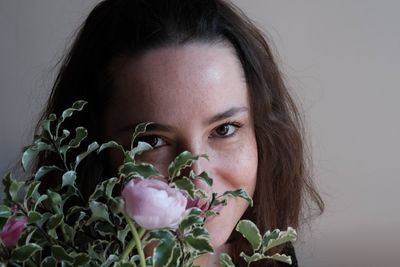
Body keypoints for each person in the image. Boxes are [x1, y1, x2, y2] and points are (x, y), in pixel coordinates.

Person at [34, 0, 324, 266]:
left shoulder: (267, 252)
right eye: (153, 141)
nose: (196, 177)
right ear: (92, 151)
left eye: (224, 130)